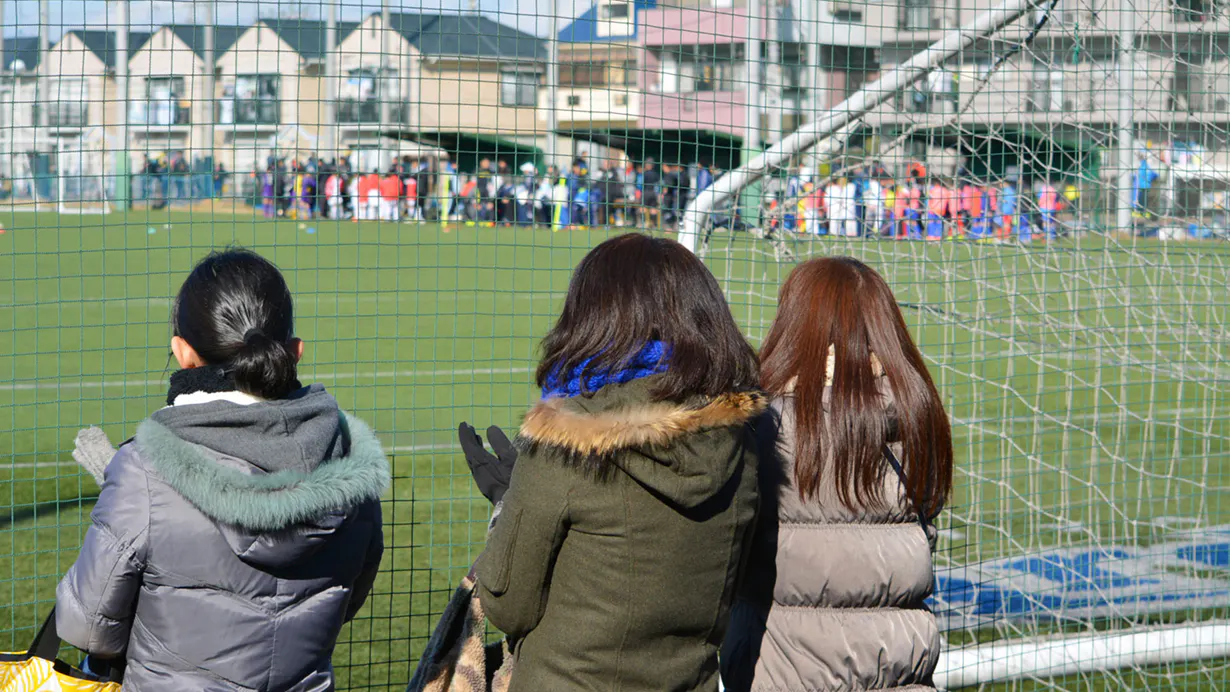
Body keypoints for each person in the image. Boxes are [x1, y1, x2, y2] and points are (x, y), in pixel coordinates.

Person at [56, 249, 388, 691]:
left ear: (182, 352)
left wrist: (130, 493)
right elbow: (347, 600)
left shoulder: (144, 472)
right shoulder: (351, 464)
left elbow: (87, 627)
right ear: (295, 351)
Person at [461, 233, 763, 692]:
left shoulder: (567, 438)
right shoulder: (743, 438)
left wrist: (509, 506)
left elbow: (507, 605)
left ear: (592, 317)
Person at [722, 256, 952, 692]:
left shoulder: (764, 425)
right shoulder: (920, 416)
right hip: (899, 674)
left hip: (782, 675)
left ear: (794, 325)